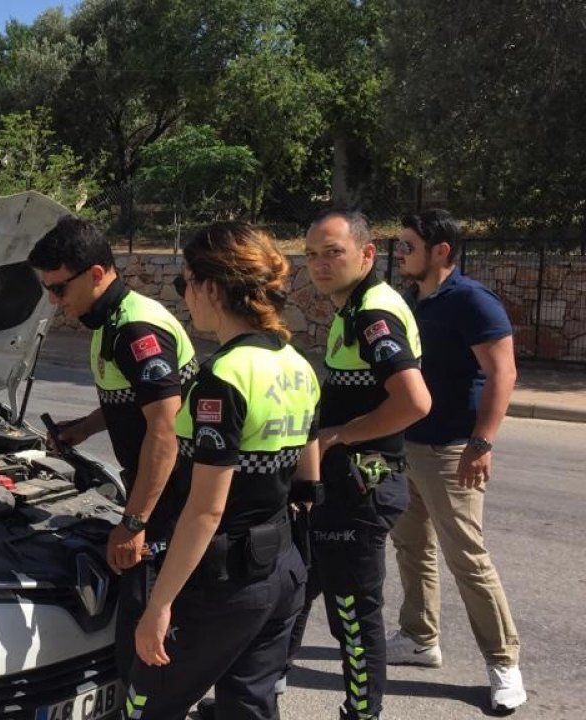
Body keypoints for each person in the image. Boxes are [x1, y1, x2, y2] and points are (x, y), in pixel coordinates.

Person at [128, 222, 319, 719]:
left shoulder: (224, 377)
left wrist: (159, 606)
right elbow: (308, 477)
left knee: (147, 702)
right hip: (281, 570)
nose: (183, 296)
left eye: (184, 282)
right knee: (248, 707)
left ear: (211, 287)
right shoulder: (299, 365)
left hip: (226, 582)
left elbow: (205, 512)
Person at [27, 215, 197, 679]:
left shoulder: (137, 330)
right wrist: (83, 427)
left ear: (97, 274)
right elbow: (137, 402)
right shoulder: (108, 321)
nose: (53, 300)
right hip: (157, 491)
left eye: (59, 288)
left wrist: (134, 523)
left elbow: (163, 432)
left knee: (146, 637)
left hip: (173, 498)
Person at [284, 209, 432, 720]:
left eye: (333, 253)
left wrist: (336, 435)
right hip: (337, 488)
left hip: (360, 489)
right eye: (312, 255)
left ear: (367, 255)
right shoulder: (355, 307)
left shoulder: (374, 314)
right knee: (295, 591)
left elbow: (414, 402)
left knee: (351, 611)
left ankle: (362, 713)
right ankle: (261, 695)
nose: (320, 265)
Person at [388, 209, 525, 712]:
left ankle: (503, 663)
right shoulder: (411, 301)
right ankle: (420, 639)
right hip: (406, 444)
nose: (401, 254)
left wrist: (482, 442)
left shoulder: (472, 301)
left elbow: (502, 373)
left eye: (408, 246)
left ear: (441, 250)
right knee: (411, 548)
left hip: (452, 451)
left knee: (467, 558)